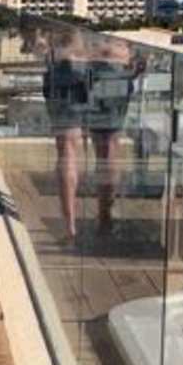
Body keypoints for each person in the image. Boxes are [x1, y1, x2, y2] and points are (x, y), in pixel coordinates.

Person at [42, 28, 140, 238]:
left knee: (67, 148)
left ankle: (69, 227)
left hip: (70, 60)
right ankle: (105, 221)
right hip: (112, 61)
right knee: (108, 148)